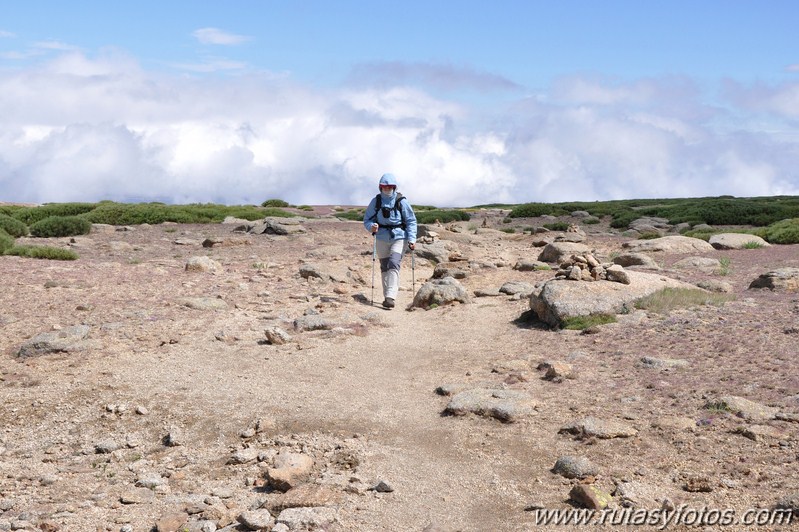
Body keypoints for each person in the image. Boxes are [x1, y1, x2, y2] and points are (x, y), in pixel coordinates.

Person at [363, 173, 417, 309]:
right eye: (384, 187)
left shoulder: (401, 201)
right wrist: (372, 227)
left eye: (390, 187)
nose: (387, 189)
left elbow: (411, 221)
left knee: (393, 263)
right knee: (384, 266)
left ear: (394, 187)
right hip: (381, 237)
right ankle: (387, 295)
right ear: (380, 188)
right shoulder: (376, 201)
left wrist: (411, 239)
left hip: (399, 237)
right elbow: (367, 220)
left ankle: (390, 297)